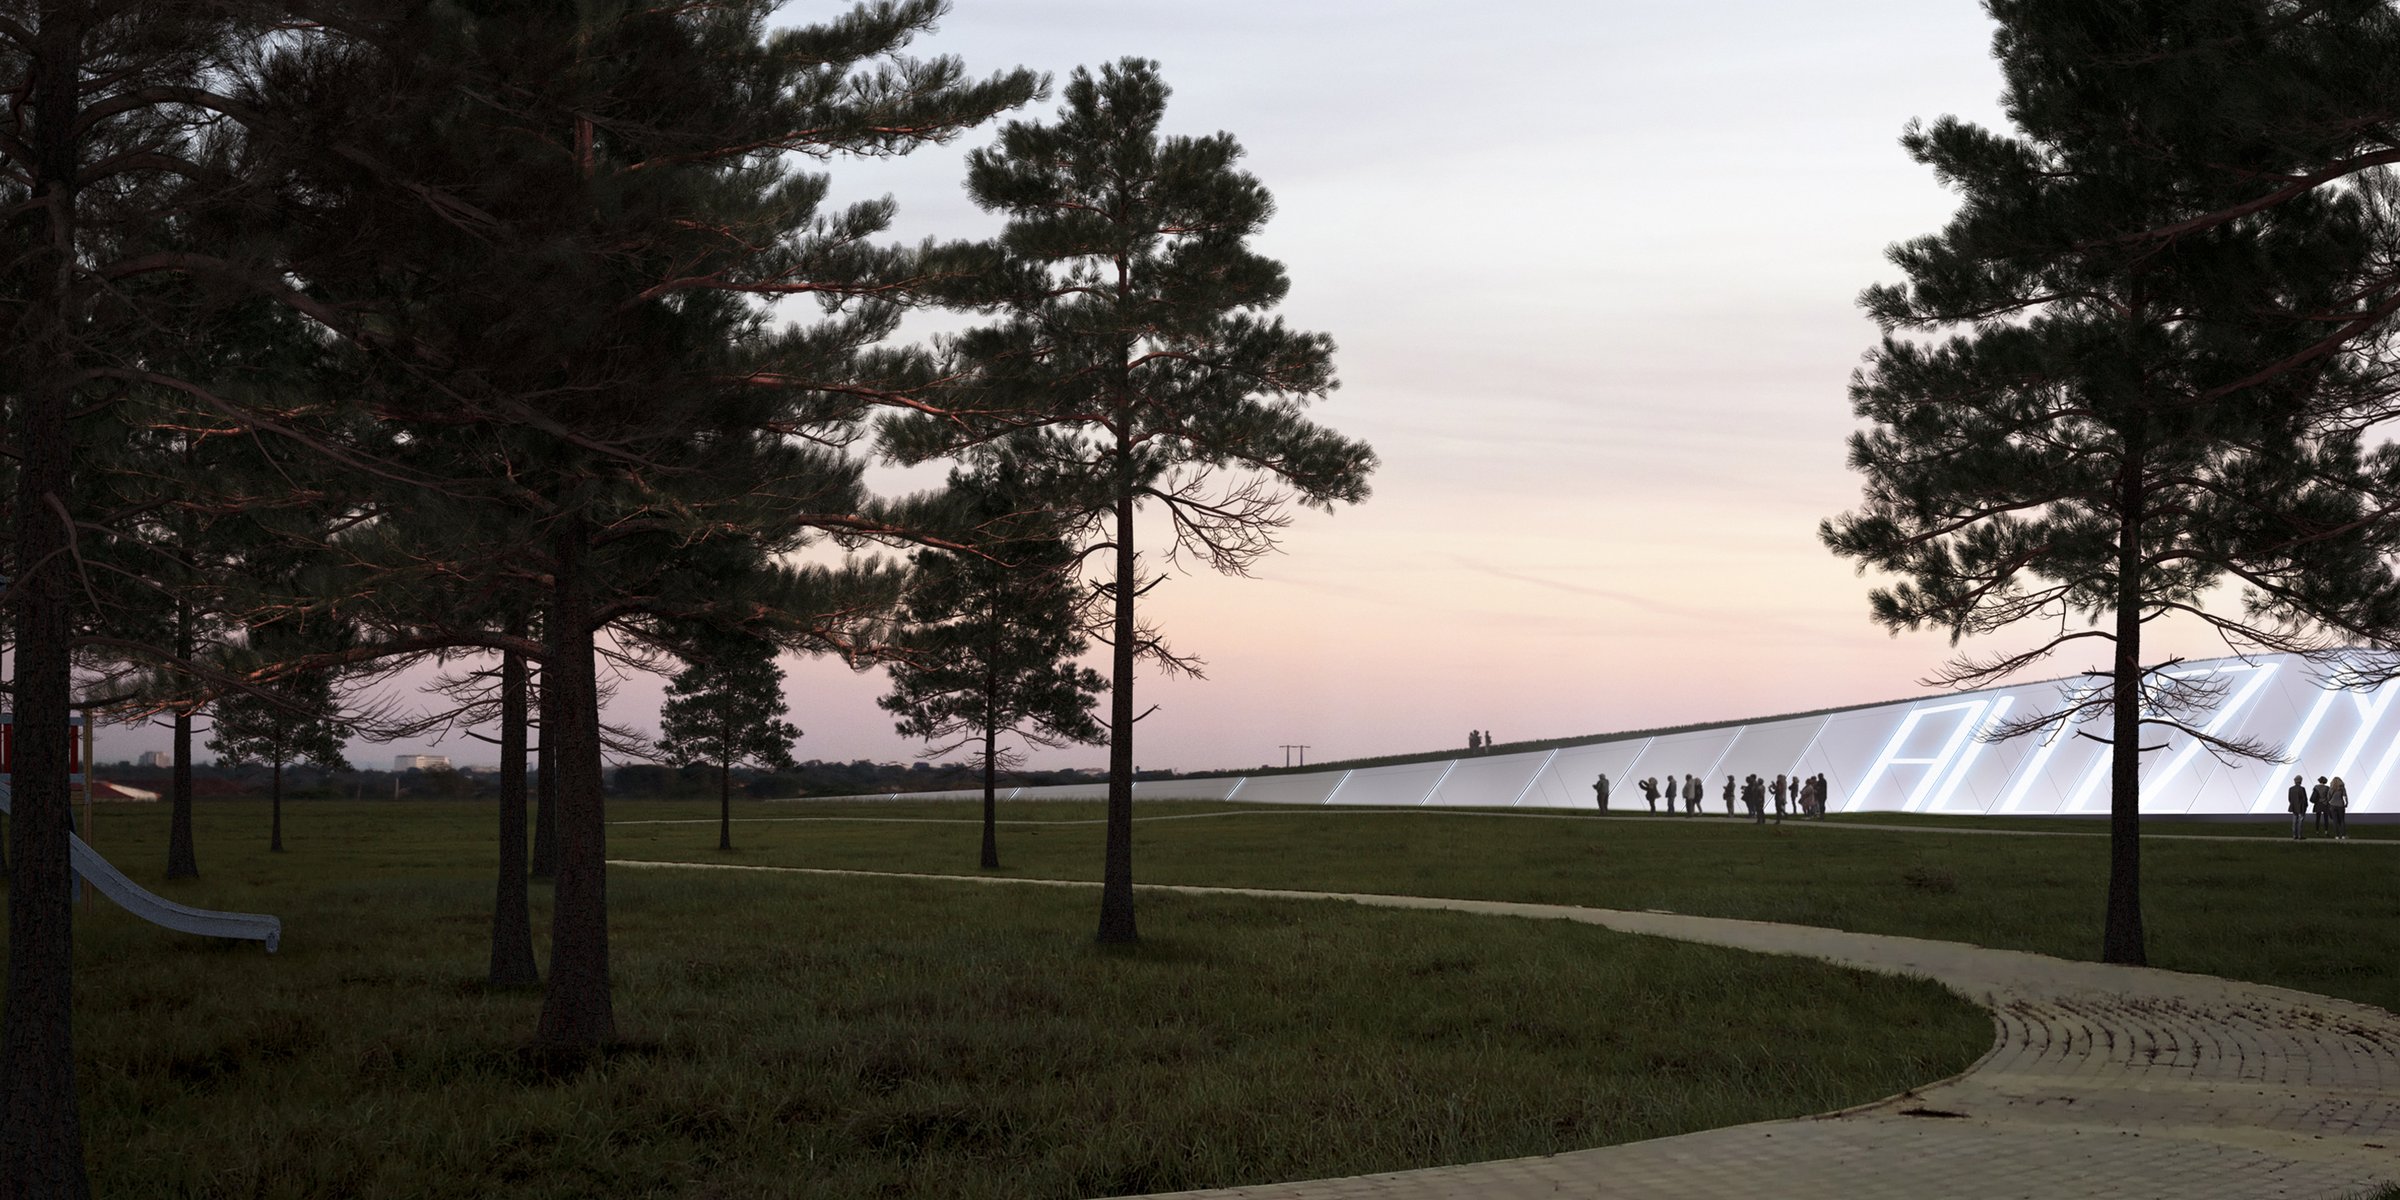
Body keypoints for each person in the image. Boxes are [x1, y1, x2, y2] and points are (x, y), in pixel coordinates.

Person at [2287, 774, 2309, 840]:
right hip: (2301, 807)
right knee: (2300, 822)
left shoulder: (2291, 789)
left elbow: (2289, 798)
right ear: (2300, 781)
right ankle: (2300, 835)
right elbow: (2304, 798)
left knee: (2294, 822)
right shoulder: (2302, 789)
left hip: (2294, 807)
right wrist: (2306, 806)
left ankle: (2294, 835)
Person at [2330, 775, 2349, 840]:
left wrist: (2329, 801)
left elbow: (2328, 796)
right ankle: (2343, 835)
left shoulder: (2331, 788)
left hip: (2332, 805)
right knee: (2342, 820)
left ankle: (2337, 835)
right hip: (2340, 805)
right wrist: (2346, 803)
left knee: (2335, 821)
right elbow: (2344, 796)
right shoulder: (2342, 788)